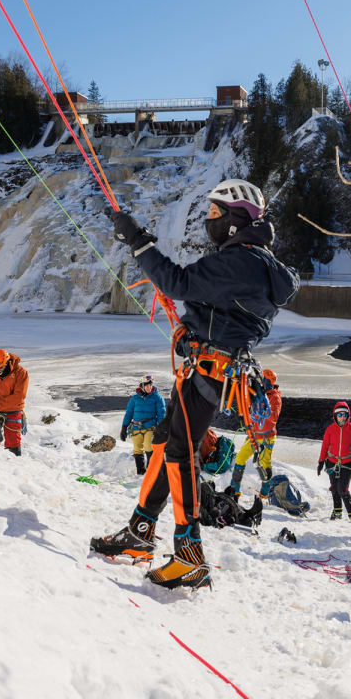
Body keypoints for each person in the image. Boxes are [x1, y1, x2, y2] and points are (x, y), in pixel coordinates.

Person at [90, 179, 299, 590]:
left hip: (207, 373)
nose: (209, 221)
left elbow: (176, 283)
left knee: (181, 454)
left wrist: (138, 241)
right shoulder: (258, 265)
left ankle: (189, 554)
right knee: (169, 445)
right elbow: (224, 313)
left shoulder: (239, 261)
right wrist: (195, 330)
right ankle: (140, 531)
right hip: (214, 368)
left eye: (215, 214)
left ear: (237, 221)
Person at [228, 368, 282, 498]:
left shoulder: (275, 397)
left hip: (267, 438)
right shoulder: (257, 395)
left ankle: (265, 492)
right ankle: (234, 489)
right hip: (255, 435)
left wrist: (261, 411)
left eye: (264, 380)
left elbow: (273, 418)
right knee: (240, 458)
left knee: (265, 464)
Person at [318, 401, 351, 521]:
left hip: (347, 463)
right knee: (334, 487)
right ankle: (337, 511)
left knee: (342, 489)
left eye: (344, 414)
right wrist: (321, 461)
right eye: (339, 415)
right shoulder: (330, 429)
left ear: (348, 415)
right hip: (332, 462)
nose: (342, 417)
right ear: (335, 416)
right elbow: (325, 446)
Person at [121, 375, 166, 475]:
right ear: (142, 386)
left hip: (150, 427)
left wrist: (161, 429)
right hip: (136, 427)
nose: (149, 387)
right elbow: (129, 413)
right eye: (146, 385)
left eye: (150, 385)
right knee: (137, 448)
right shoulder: (134, 399)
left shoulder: (157, 398)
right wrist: (124, 428)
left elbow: (161, 414)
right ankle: (140, 472)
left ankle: (151, 471)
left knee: (148, 446)